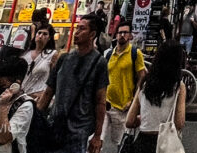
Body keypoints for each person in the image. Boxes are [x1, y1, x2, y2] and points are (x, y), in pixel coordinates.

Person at [38, 16, 109, 153]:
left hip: (79, 131)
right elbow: (48, 92)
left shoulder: (99, 63)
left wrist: (97, 136)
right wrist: (36, 117)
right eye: (77, 28)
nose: (76, 32)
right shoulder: (63, 59)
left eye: (82, 29)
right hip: (55, 126)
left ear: (92, 34)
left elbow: (101, 101)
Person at [124, 41, 186, 153]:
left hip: (142, 142)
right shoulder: (178, 87)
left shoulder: (144, 83)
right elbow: (179, 123)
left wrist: (144, 118)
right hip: (164, 143)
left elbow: (129, 121)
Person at [103, 20, 145, 153]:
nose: (122, 35)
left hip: (123, 107)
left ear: (130, 35)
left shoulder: (135, 53)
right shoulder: (108, 54)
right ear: (115, 35)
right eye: (120, 32)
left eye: (125, 32)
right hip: (106, 105)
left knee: (121, 145)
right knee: (96, 139)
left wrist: (133, 102)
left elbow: (142, 76)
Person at [0, 55, 33, 153]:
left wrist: (3, 107)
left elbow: (3, 138)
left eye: (2, 83)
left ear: (16, 83)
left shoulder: (25, 105)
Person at [21, 25, 59, 102]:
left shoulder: (52, 54)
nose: (41, 36)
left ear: (49, 38)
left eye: (45, 34)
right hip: (21, 94)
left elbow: (54, 78)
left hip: (39, 96)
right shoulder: (25, 54)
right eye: (39, 33)